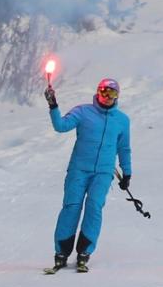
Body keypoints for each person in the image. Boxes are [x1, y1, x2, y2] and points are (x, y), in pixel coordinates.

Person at [44, 75, 132, 272]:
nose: (107, 97)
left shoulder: (122, 121)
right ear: (98, 92)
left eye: (112, 93)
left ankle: (84, 251)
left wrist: (127, 173)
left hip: (103, 173)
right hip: (79, 170)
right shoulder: (83, 112)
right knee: (71, 207)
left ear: (117, 96)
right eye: (104, 92)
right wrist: (53, 105)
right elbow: (61, 126)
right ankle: (62, 252)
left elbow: (124, 148)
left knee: (94, 207)